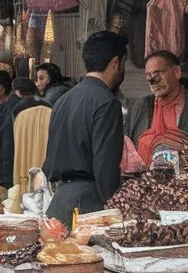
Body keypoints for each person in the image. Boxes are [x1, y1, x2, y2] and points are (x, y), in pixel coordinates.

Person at [43, 31, 127, 222]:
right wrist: (116, 208)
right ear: (115, 63)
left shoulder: (63, 100)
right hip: (87, 205)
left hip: (59, 202)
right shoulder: (107, 102)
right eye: (124, 64)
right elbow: (105, 167)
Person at [126, 50, 188, 161]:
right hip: (143, 177)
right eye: (148, 76)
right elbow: (126, 151)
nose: (153, 81)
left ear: (177, 72)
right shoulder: (138, 107)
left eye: (158, 73)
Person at [12, 78, 52, 189]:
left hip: (23, 156)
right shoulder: (48, 106)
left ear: (18, 92)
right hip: (45, 156)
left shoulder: (16, 109)